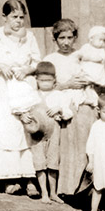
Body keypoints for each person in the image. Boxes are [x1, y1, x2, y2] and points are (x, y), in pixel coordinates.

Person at [0, 0, 40, 195]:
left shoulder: (29, 37)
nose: (18, 21)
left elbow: (37, 61)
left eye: (21, 17)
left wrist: (27, 69)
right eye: (14, 17)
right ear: (4, 17)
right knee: (5, 130)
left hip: (22, 85)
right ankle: (8, 180)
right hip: (1, 89)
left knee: (24, 130)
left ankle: (29, 179)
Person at [43, 19, 95, 197]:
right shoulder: (50, 59)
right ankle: (67, 187)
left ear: (75, 38)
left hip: (81, 99)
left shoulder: (81, 56)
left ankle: (88, 183)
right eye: (61, 38)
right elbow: (44, 88)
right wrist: (67, 84)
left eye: (69, 37)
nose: (65, 42)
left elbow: (91, 81)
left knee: (88, 119)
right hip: (60, 100)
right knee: (71, 125)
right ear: (55, 39)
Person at [20, 61, 73, 203]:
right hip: (36, 133)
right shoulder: (32, 95)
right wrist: (23, 116)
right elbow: (22, 110)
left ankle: (53, 193)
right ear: (36, 79)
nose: (45, 83)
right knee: (39, 162)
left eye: (49, 80)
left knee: (53, 161)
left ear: (54, 80)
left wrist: (59, 109)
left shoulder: (59, 95)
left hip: (54, 132)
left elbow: (68, 113)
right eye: (42, 80)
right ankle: (44, 192)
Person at [72, 26, 105, 103]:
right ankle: (87, 99)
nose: (102, 42)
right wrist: (77, 56)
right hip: (87, 72)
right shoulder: (85, 47)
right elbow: (79, 54)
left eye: (104, 40)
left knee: (95, 86)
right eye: (100, 40)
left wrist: (87, 57)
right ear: (91, 39)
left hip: (96, 72)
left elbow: (99, 58)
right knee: (85, 86)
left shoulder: (101, 50)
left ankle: (95, 100)